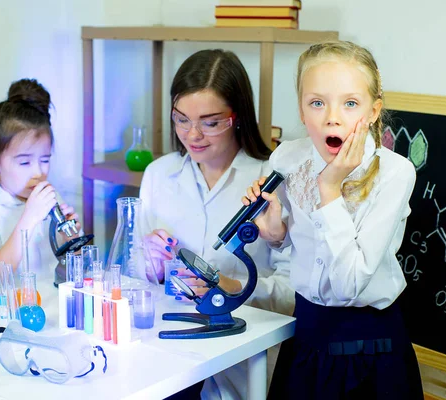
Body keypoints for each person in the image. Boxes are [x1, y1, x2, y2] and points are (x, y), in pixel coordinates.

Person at [243, 40, 424, 399]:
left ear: (374, 111)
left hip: (371, 347)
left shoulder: (394, 173)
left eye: (350, 103)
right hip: (307, 334)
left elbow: (349, 284)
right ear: (301, 109)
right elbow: (297, 243)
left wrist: (330, 188)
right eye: (317, 103)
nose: (332, 117)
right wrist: (276, 232)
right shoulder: (286, 159)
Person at [139, 49, 294, 400]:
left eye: (210, 122)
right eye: (181, 119)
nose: (193, 135)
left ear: (237, 117)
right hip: (165, 359)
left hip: (239, 364)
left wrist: (229, 285)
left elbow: (291, 295)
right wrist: (150, 264)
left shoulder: (271, 182)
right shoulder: (159, 175)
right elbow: (135, 279)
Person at [0, 78, 81, 293]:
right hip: (7, 319)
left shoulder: (50, 197)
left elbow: (71, 270)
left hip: (53, 310)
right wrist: (29, 218)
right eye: (25, 162)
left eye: (44, 160)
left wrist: (71, 242)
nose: (38, 172)